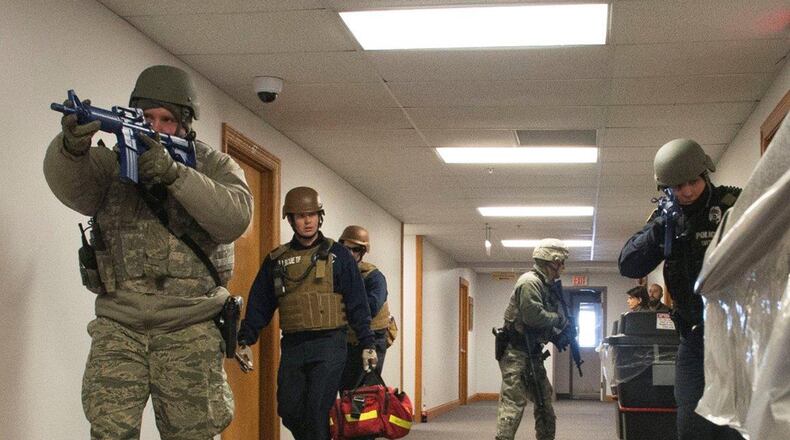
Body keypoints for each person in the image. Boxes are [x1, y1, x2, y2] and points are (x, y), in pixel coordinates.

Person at [43, 65, 253, 439]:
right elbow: (73, 190)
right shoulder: (113, 164)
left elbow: (234, 218)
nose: (156, 128)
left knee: (193, 433)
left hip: (189, 328)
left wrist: (175, 174)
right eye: (147, 118)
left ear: (186, 124)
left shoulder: (214, 165)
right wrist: (71, 149)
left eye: (167, 119)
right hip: (120, 325)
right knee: (109, 432)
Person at [618, 138, 743, 440]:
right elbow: (628, 265)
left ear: (705, 175)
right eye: (677, 185)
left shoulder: (734, 204)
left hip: (737, 340)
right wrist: (662, 229)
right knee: (691, 426)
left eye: (693, 181)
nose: (686, 191)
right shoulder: (668, 220)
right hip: (694, 339)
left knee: (736, 429)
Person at [237, 187, 377, 440]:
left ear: (320, 216)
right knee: (289, 410)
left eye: (312, 214)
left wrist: (368, 343)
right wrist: (246, 338)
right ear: (290, 220)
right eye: (300, 216)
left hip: (330, 344)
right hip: (294, 346)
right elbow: (261, 302)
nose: (307, 221)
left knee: (316, 411)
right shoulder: (277, 260)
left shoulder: (340, 256)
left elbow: (357, 302)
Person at [496, 238, 570, 440]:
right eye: (560, 262)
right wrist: (557, 319)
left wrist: (559, 334)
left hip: (532, 351)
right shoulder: (529, 282)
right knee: (514, 403)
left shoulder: (545, 284)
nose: (562, 267)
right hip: (516, 352)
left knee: (544, 400)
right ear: (550, 260)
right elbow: (534, 316)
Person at [338, 225, 392, 394]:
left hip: (371, 340)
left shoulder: (374, 277)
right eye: (346, 249)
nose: (350, 253)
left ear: (362, 252)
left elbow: (370, 309)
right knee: (346, 391)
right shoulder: (336, 274)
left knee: (365, 393)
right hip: (346, 340)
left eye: (356, 249)